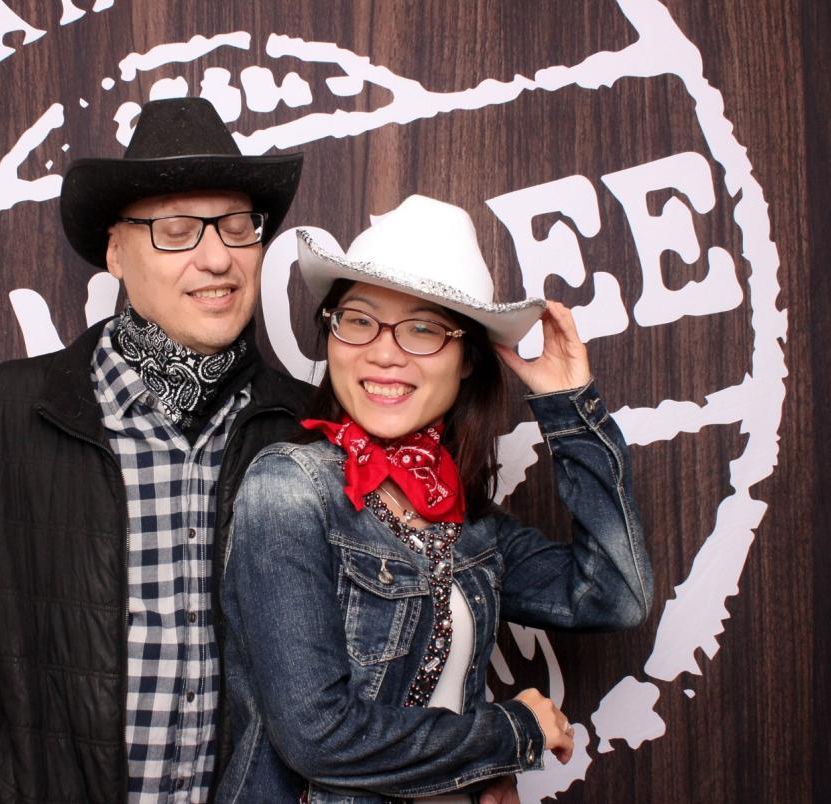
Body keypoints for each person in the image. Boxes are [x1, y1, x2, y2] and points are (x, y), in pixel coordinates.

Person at [0, 97, 310, 803]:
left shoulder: (309, 430)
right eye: (177, 230)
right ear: (116, 252)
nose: (218, 257)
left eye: (237, 226)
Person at [217, 195, 654, 803]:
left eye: (423, 329)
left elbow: (614, 596)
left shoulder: (468, 523)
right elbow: (316, 737)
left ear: (467, 358)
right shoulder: (290, 489)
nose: (384, 352)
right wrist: (512, 735)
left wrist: (569, 411)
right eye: (359, 320)